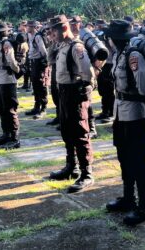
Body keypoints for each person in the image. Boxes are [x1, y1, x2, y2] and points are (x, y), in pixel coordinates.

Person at [105, 20, 145, 226]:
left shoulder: (134, 56)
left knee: (139, 162)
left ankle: (144, 206)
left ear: (114, 39)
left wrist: (130, 96)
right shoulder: (118, 55)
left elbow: (144, 88)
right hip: (120, 113)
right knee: (124, 157)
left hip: (134, 114)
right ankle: (128, 198)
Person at [48, 15, 95, 193]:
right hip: (63, 92)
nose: (51, 33)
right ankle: (71, 166)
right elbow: (50, 60)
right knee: (67, 130)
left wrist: (80, 91)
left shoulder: (76, 47)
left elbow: (88, 73)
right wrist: (52, 43)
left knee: (80, 133)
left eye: (54, 30)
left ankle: (86, 173)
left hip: (74, 93)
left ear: (64, 28)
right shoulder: (62, 46)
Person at [0, 22, 22, 149]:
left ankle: (14, 138)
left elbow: (12, 61)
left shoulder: (6, 44)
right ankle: (6, 134)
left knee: (10, 109)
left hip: (8, 80)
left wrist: (18, 71)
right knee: (1, 108)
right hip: (0, 79)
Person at [26, 20, 49, 118]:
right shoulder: (30, 36)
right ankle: (36, 106)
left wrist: (44, 64)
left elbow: (43, 51)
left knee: (41, 85)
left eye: (28, 26)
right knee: (35, 85)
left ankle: (43, 108)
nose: (27, 28)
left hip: (39, 63)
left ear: (33, 27)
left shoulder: (38, 36)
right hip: (33, 63)